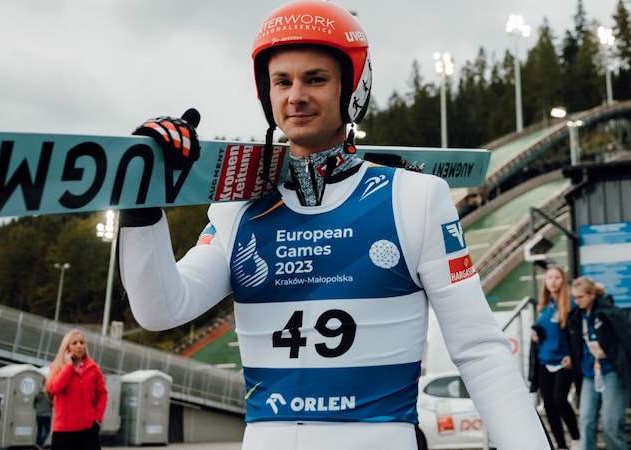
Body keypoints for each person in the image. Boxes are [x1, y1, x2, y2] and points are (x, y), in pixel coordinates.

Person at [117, 1, 551, 449]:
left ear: (352, 90)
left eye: (316, 79)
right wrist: (142, 196)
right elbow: (160, 309)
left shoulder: (414, 197)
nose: (295, 95)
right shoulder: (237, 210)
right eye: (281, 81)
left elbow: (479, 351)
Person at [565, 277, 631, 450]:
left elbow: (624, 339)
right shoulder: (577, 317)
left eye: (580, 297)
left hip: (611, 371)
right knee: (586, 420)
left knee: (610, 422)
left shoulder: (609, 312)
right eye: (574, 297)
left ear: (592, 295)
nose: (577, 301)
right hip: (589, 373)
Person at [530, 266, 580, 450]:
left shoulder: (571, 304)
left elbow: (575, 334)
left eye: (557, 277)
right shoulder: (544, 304)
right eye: (549, 277)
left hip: (563, 361)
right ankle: (560, 445)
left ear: (563, 280)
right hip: (545, 360)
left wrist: (572, 356)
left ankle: (576, 438)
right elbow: (544, 330)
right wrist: (536, 336)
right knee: (549, 405)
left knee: (560, 399)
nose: (552, 281)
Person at [45, 329, 107, 450]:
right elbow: (54, 388)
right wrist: (68, 367)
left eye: (82, 342)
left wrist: (97, 419)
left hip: (88, 431)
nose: (79, 346)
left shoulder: (93, 368)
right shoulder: (58, 368)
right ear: (66, 347)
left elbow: (102, 394)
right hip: (64, 433)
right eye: (74, 343)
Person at [33, 382, 52, 449]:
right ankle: (39, 445)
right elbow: (52, 404)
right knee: (47, 431)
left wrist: (38, 409)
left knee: (39, 431)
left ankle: (37, 444)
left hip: (39, 415)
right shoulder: (49, 394)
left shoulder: (37, 394)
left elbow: (34, 404)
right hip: (47, 415)